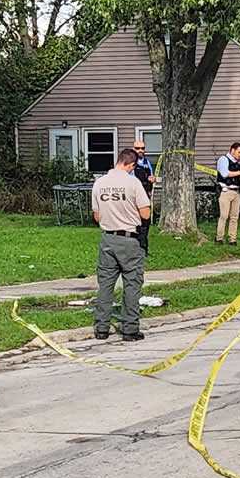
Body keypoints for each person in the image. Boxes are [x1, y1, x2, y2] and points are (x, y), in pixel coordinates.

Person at [92, 148, 151, 341]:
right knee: (132, 284)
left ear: (118, 160)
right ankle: (130, 329)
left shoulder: (99, 183)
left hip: (107, 238)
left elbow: (96, 215)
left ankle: (101, 328)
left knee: (106, 285)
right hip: (129, 240)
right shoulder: (133, 183)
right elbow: (145, 214)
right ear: (132, 165)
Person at [215, 143, 240, 245]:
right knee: (224, 216)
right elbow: (225, 174)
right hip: (225, 191)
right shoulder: (223, 159)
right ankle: (219, 238)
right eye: (239, 152)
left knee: (234, 217)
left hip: (237, 192)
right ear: (232, 150)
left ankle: (232, 239)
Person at [131, 140, 156, 256]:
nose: (140, 150)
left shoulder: (147, 162)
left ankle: (144, 249)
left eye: (142, 148)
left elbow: (151, 176)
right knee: (136, 224)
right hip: (134, 197)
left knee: (145, 223)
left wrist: (152, 179)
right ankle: (135, 249)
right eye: (137, 148)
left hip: (145, 195)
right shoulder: (131, 164)